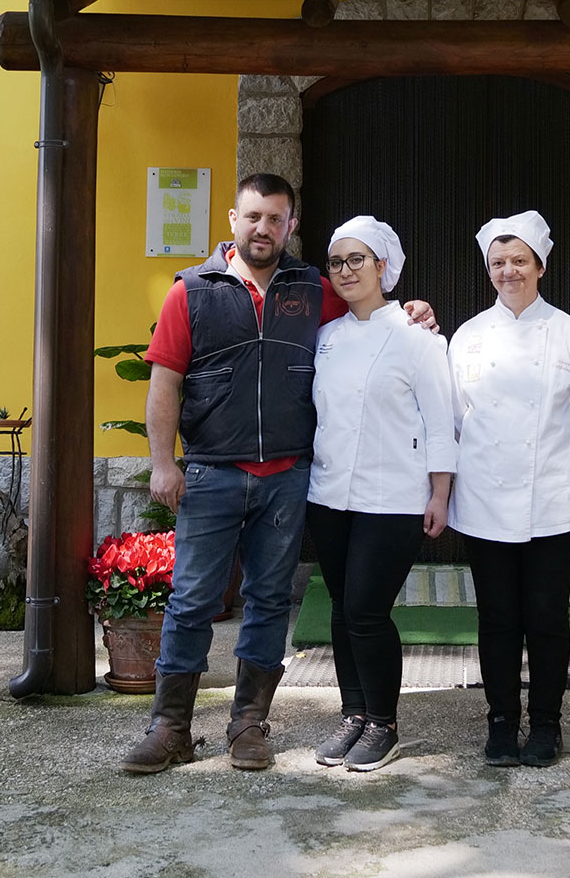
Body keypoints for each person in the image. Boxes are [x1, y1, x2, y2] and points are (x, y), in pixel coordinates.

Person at [122, 174, 435, 775]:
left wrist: (415, 310)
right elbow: (165, 380)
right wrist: (163, 462)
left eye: (275, 219)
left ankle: (248, 724)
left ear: (290, 225)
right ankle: (169, 727)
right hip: (212, 472)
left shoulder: (313, 289)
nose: (262, 228)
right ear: (232, 221)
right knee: (191, 601)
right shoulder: (191, 292)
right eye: (253, 216)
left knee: (268, 601)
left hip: (287, 477)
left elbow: (374, 310)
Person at [448, 211, 570, 768]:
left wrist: (559, 466)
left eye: (519, 260)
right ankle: (500, 722)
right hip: (484, 497)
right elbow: (457, 419)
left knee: (546, 616)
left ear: (540, 266)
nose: (508, 271)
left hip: (553, 498)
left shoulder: (569, 332)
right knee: (496, 618)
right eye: (498, 262)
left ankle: (545, 724)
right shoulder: (468, 336)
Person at [304, 216, 456, 772]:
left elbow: (441, 421)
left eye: (357, 259)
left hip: (393, 498)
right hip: (329, 494)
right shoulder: (327, 337)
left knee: (367, 611)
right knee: (341, 610)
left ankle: (384, 724)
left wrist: (440, 493)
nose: (346, 271)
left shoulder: (418, 338)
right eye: (336, 262)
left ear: (383, 266)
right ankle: (354, 714)